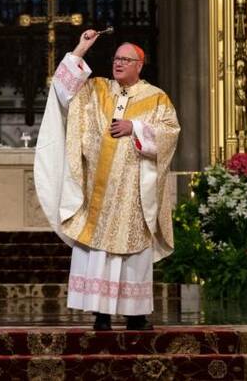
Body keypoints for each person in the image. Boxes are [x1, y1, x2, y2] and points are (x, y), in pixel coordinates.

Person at [34, 29, 180, 331]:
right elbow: (62, 90)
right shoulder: (97, 89)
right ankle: (100, 314)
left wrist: (135, 128)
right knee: (97, 249)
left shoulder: (156, 98)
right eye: (116, 58)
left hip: (134, 191)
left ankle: (135, 315)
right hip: (97, 189)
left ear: (140, 65)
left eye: (126, 59)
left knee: (133, 250)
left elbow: (170, 134)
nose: (118, 63)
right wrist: (81, 48)